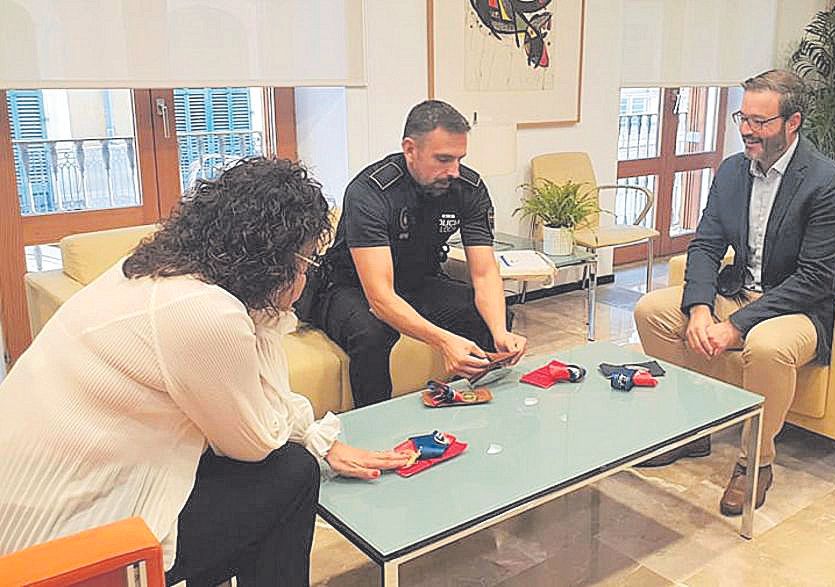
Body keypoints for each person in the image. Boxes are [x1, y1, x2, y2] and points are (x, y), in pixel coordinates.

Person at [0, 158, 412, 586]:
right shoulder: (205, 313)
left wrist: (313, 435)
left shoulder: (152, 270)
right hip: (65, 549)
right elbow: (255, 441)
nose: (307, 275)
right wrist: (274, 312)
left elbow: (257, 399)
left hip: (27, 516)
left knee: (275, 472)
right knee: (291, 473)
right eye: (306, 260)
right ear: (273, 259)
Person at [633, 70, 835, 515]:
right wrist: (698, 309)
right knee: (652, 310)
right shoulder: (733, 170)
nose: (747, 130)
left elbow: (814, 277)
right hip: (739, 290)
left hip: (801, 306)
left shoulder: (827, 183)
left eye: (760, 121)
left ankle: (756, 462)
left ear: (792, 123)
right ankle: (691, 432)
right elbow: (707, 244)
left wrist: (735, 326)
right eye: (742, 117)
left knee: (767, 347)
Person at [306, 100, 527, 407]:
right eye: (443, 159)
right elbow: (380, 297)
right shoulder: (370, 192)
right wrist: (444, 340)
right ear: (410, 149)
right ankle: (375, 427)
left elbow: (484, 271)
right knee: (372, 335)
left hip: (418, 280)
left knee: (489, 317)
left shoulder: (469, 188)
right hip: (349, 287)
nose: (454, 171)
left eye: (460, 159)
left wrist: (500, 331)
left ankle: (476, 408)